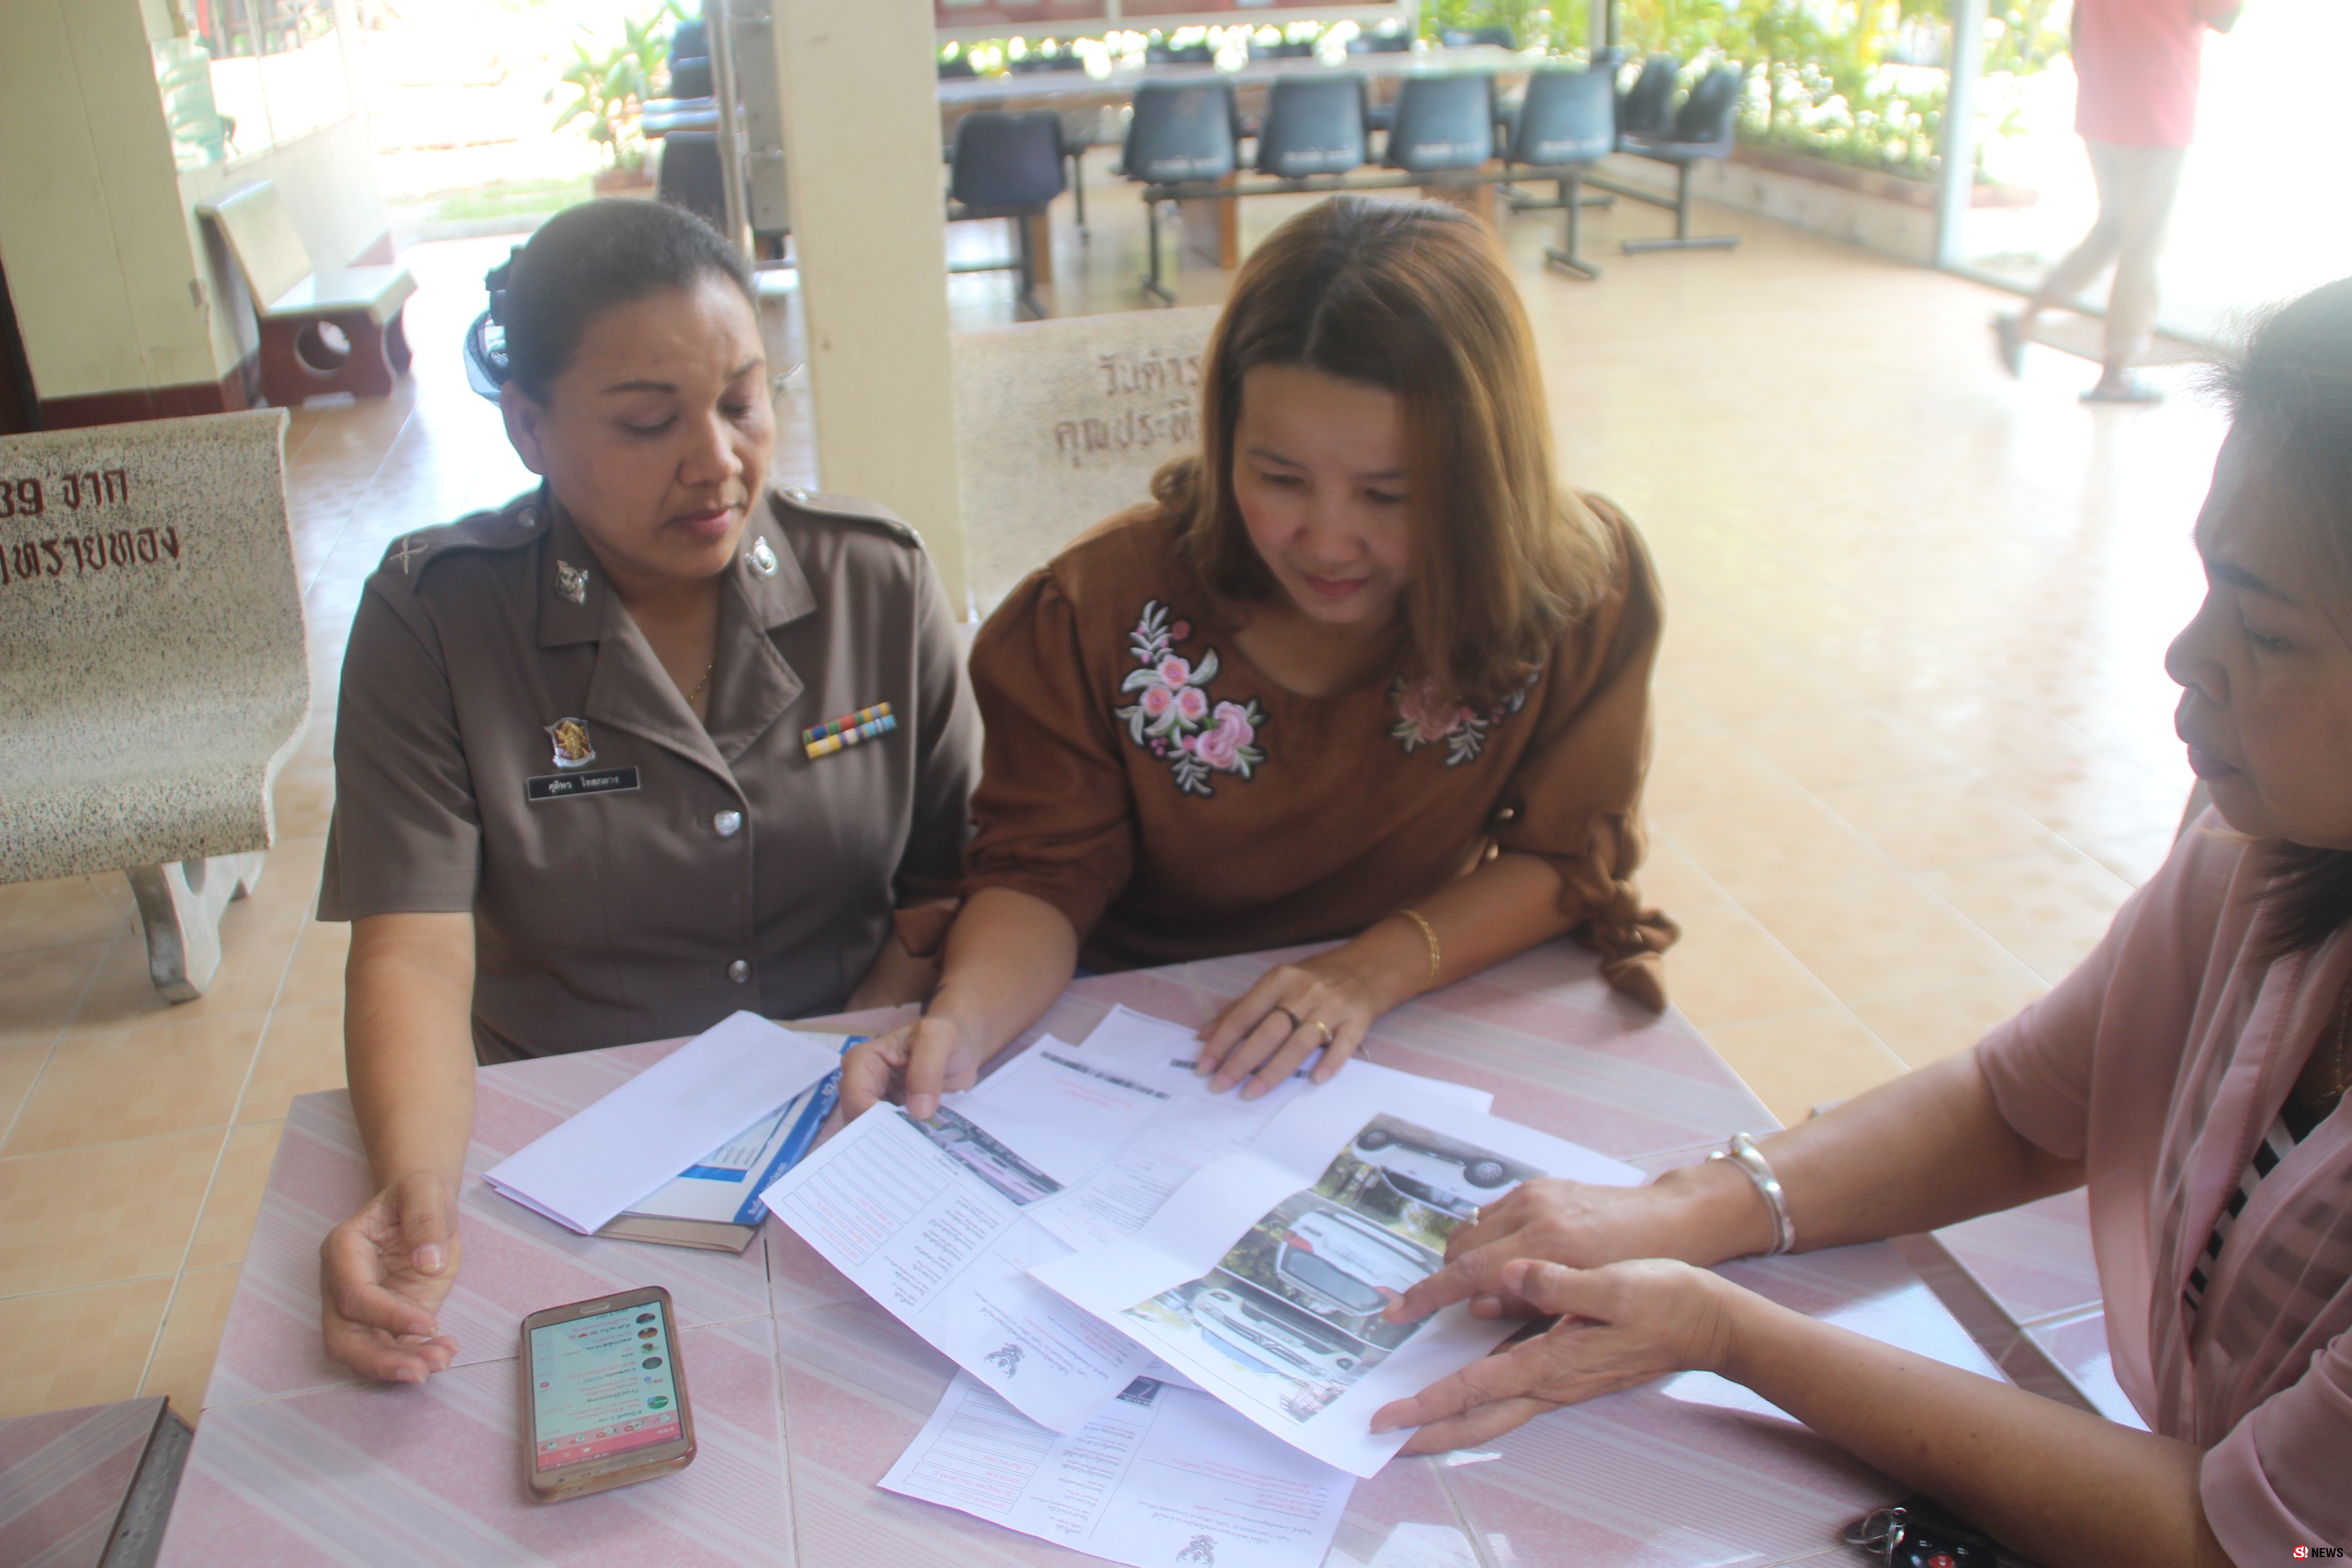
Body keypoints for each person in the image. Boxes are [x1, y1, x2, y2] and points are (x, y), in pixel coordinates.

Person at [1376, 278, 2352, 1565]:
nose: (2186, 652)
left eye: (2266, 627)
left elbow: (2231, 1535)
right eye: (2208, 586)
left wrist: (1729, 1329)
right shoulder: (2254, 864)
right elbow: (2017, 1103)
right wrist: (1680, 1208)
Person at [314, 200, 980, 1382]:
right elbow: (413, 948)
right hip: (569, 1146)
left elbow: (950, 881)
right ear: (527, 426)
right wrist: (415, 1183)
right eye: (645, 421)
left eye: (741, 399)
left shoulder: (876, 580)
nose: (717, 459)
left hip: (852, 1117)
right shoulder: (440, 619)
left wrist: (846, 1050)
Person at [843, 195, 1675, 1125]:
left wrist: (1365, 972)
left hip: (1416, 1003)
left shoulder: (1575, 590)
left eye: (1388, 494)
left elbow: (1565, 855)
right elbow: (1041, 876)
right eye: (1278, 478)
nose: (1326, 542)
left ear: (1486, 478)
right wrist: (960, 1023)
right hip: (1134, 1035)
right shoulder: (1099, 610)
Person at [1993, 0, 2240, 404]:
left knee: (2112, 228)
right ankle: (2116, 373)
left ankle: (2026, 320)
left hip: (2102, 109)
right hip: (2157, 112)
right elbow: (2226, 17)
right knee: (2143, 243)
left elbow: (2078, 24)